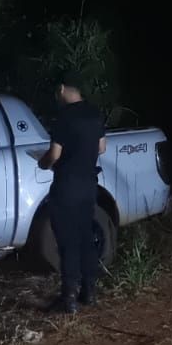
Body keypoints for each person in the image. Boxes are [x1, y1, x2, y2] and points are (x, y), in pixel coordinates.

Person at [39, 72, 106, 313]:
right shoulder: (94, 113)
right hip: (89, 185)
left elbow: (54, 155)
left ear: (62, 89)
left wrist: (43, 162)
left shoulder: (64, 117)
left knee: (68, 241)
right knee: (86, 237)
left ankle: (68, 299)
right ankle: (90, 292)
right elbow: (102, 147)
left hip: (67, 186)